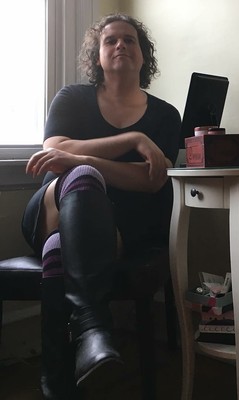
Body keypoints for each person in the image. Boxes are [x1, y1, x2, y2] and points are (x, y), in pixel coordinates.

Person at [21, 13, 181, 399]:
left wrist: (78, 160)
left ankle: (57, 380)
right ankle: (93, 325)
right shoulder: (72, 98)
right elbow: (53, 151)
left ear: (144, 56)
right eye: (110, 40)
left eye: (130, 39)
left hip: (115, 229)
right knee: (81, 178)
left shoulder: (165, 115)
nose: (120, 44)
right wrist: (133, 141)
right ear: (97, 55)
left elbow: (152, 179)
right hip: (50, 209)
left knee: (61, 244)